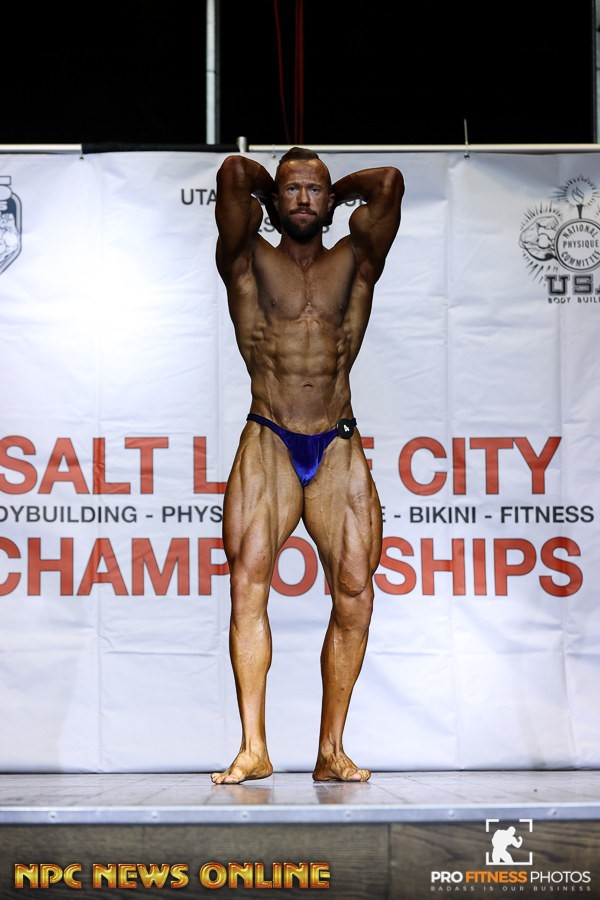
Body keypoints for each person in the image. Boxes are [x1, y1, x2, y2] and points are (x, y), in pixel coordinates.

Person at [211, 147, 404, 784]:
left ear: (331, 203)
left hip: (337, 441)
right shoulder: (246, 259)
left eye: (314, 191)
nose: (302, 199)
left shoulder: (355, 260)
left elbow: (388, 183)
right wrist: (274, 187)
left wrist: (333, 186)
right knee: (248, 583)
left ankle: (331, 750)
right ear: (272, 201)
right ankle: (253, 747)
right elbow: (234, 173)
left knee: (355, 591)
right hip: (269, 435)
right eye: (291, 189)